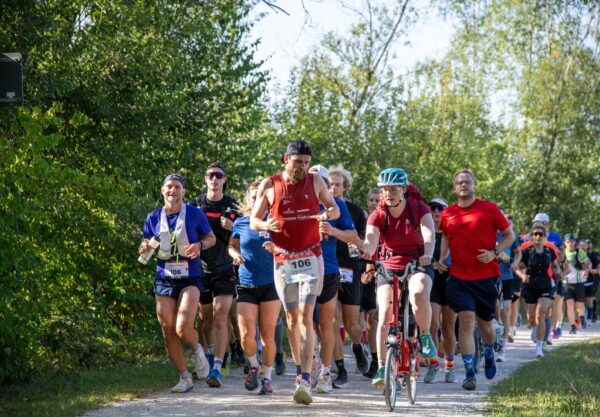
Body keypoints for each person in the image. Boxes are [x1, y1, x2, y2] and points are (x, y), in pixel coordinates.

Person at [250, 140, 340, 405]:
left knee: (305, 314)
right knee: (291, 318)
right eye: (297, 161)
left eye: (306, 162)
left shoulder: (315, 182)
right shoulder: (270, 184)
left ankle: (303, 379)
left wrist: (327, 215)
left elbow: (333, 207)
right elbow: (254, 220)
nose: (302, 166)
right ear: (285, 160)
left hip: (312, 256)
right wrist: (267, 223)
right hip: (283, 259)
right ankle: (302, 365)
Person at [437, 168, 515, 391]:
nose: (463, 185)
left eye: (467, 181)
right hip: (459, 276)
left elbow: (510, 235)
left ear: (474, 185)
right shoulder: (448, 213)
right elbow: (446, 236)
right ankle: (470, 373)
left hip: (486, 276)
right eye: (459, 182)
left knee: (486, 326)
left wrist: (495, 252)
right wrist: (443, 257)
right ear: (454, 187)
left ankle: (490, 350)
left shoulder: (488, 209)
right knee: (467, 320)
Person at [360, 168, 437, 388]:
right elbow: (370, 240)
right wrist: (364, 250)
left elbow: (428, 234)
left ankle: (424, 336)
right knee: (384, 313)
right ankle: (382, 367)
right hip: (388, 265)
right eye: (385, 190)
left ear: (403, 189)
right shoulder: (378, 214)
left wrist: (428, 253)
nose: (389, 194)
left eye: (394, 189)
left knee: (418, 292)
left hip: (417, 261)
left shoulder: (417, 208)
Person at [139, 174, 216, 393]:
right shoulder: (153, 217)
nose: (173, 190)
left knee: (183, 327)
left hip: (190, 277)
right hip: (164, 278)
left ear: (183, 192)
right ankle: (184, 377)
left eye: (177, 187)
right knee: (167, 329)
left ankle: (198, 352)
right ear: (162, 191)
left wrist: (199, 246)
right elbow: (147, 245)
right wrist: (144, 249)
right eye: (169, 187)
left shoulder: (194, 213)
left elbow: (211, 238)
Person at [308, 165, 359, 394]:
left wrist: (333, 231)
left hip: (328, 270)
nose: (319, 183)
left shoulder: (336, 206)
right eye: (314, 178)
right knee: (301, 323)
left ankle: (326, 372)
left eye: (323, 180)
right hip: (299, 269)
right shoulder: (296, 202)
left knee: (326, 324)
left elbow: (353, 236)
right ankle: (309, 367)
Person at [189, 162, 241, 387]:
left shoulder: (233, 205)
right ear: (205, 178)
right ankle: (208, 358)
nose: (214, 179)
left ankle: (218, 367)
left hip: (225, 267)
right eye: (211, 175)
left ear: (224, 179)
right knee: (205, 320)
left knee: (221, 316)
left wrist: (233, 227)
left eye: (218, 175)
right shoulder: (195, 205)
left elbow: (247, 233)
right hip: (200, 269)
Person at [228, 181, 281, 395]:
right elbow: (231, 246)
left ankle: (267, 378)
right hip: (246, 282)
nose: (257, 200)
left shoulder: (276, 222)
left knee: (267, 336)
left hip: (271, 283)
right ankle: (253, 365)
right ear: (248, 200)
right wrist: (235, 255)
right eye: (253, 196)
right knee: (245, 335)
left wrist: (276, 249)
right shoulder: (240, 222)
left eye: (262, 196)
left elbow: (288, 248)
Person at [327, 164, 370, 386]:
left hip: (350, 267)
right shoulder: (321, 208)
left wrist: (357, 244)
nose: (332, 188)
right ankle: (340, 369)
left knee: (352, 322)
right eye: (329, 184)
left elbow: (361, 240)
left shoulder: (354, 211)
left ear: (345, 187)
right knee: (334, 320)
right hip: (328, 268)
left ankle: (357, 346)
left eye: (337, 185)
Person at [516, 225, 562, 357]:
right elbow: (516, 267)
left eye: (540, 234)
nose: (537, 237)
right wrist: (523, 276)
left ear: (544, 236)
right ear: (532, 236)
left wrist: (558, 273)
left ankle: (539, 347)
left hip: (546, 285)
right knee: (531, 317)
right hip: (530, 286)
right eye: (535, 234)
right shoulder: (526, 252)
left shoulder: (549, 251)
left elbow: (555, 266)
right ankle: (534, 327)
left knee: (540, 313)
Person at [427, 197, 458, 383]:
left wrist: (447, 265)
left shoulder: (452, 232)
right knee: (431, 324)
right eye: (432, 208)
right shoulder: (424, 232)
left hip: (450, 281)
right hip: (431, 282)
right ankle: (433, 364)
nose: (436, 211)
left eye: (440, 208)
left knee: (448, 327)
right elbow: (417, 254)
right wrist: (433, 264)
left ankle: (449, 366)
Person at [495, 208, 521, 362]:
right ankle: (488, 343)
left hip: (506, 277)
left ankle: (502, 348)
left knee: (505, 310)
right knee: (491, 310)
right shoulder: (486, 231)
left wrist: (515, 262)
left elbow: (518, 252)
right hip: (489, 276)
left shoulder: (511, 233)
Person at [360, 187, 381, 379]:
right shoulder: (367, 220)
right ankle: (374, 357)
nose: (374, 203)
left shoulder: (386, 218)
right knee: (368, 319)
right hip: (368, 271)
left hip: (387, 270)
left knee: (376, 317)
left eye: (377, 200)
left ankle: (380, 358)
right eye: (371, 200)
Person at [563, 233, 591, 334]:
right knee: (569, 304)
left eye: (572, 241)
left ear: (575, 242)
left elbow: (588, 264)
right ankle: (573, 326)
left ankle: (582, 317)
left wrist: (586, 270)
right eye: (568, 242)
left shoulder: (579, 252)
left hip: (579, 282)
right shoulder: (563, 253)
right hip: (567, 283)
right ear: (564, 243)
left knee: (580, 305)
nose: (570, 244)